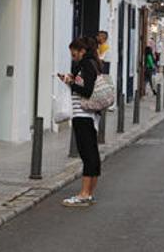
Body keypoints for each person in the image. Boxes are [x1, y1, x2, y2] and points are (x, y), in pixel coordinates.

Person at [61, 37, 102, 207]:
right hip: (88, 116)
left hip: (83, 115)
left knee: (87, 155)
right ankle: (89, 193)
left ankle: (84, 194)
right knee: (91, 154)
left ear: (82, 51)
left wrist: (71, 83)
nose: (73, 57)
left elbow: (87, 91)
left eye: (74, 54)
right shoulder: (92, 63)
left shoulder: (86, 65)